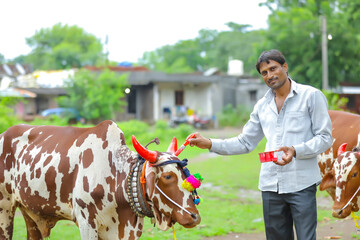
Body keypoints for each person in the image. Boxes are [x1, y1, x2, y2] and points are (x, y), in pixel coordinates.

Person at [188, 49, 333, 240]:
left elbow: (325, 137)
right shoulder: (262, 106)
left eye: (273, 68)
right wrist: (209, 143)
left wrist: (295, 150)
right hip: (270, 185)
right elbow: (245, 141)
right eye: (264, 73)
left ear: (285, 67)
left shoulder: (311, 96)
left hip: (302, 184)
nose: (270, 75)